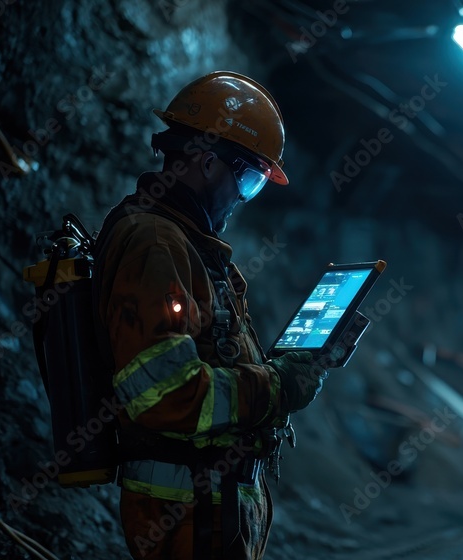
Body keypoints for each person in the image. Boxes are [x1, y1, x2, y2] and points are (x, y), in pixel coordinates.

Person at [93, 71, 327, 559]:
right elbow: (167, 395)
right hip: (187, 518)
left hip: (208, 512)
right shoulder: (156, 245)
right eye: (248, 179)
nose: (244, 197)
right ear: (204, 163)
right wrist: (276, 387)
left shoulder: (187, 246)